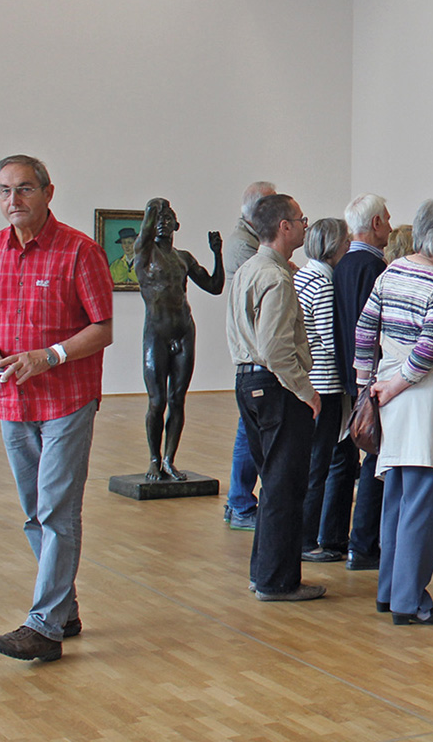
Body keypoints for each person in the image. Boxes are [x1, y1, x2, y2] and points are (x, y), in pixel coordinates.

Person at [0, 154, 114, 661]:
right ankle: (65, 610)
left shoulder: (80, 251)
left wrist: (48, 356)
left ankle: (44, 626)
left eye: (25, 189)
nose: (14, 199)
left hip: (67, 400)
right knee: (34, 513)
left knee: (57, 510)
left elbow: (102, 328)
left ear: (48, 193)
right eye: (5, 190)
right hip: (13, 399)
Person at [354, 200, 433, 625]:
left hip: (395, 403)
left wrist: (368, 384)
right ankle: (410, 601)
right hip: (427, 403)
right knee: (424, 508)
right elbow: (429, 347)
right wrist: (395, 384)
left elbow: (365, 329)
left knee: (398, 500)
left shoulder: (392, 271)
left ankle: (390, 591)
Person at [227, 193, 324, 602]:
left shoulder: (249, 269)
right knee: (285, 487)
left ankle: (264, 573)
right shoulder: (278, 278)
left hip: (247, 381)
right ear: (284, 226)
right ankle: (277, 581)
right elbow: (275, 348)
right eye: (301, 220)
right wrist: (306, 391)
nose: (305, 225)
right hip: (276, 386)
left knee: (273, 484)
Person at [135, 197, 224, 481]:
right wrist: (156, 205)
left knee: (177, 399)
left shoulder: (183, 258)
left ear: (177, 225)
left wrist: (217, 254)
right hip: (156, 334)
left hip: (184, 331)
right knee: (157, 401)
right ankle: (154, 459)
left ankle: (170, 460)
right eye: (158, 219)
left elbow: (214, 286)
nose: (162, 223)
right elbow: (146, 226)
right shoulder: (145, 252)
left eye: (168, 218)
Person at [334, 193, 392, 571]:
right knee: (375, 459)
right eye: (387, 219)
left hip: (351, 376)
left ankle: (355, 540)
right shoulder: (372, 268)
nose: (390, 226)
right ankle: (364, 544)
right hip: (370, 380)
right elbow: (370, 331)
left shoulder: (343, 264)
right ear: (375, 223)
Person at [293, 217, 354, 564]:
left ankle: (311, 534)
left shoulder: (302, 276)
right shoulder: (324, 284)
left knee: (315, 462)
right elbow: (332, 340)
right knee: (320, 463)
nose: (348, 246)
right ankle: (307, 539)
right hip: (326, 382)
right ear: (333, 246)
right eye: (345, 241)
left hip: (309, 380)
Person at [223, 181, 277, 531]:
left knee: (250, 428)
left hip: (254, 348)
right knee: (249, 429)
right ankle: (240, 502)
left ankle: (240, 501)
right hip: (254, 351)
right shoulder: (244, 244)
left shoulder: (248, 239)